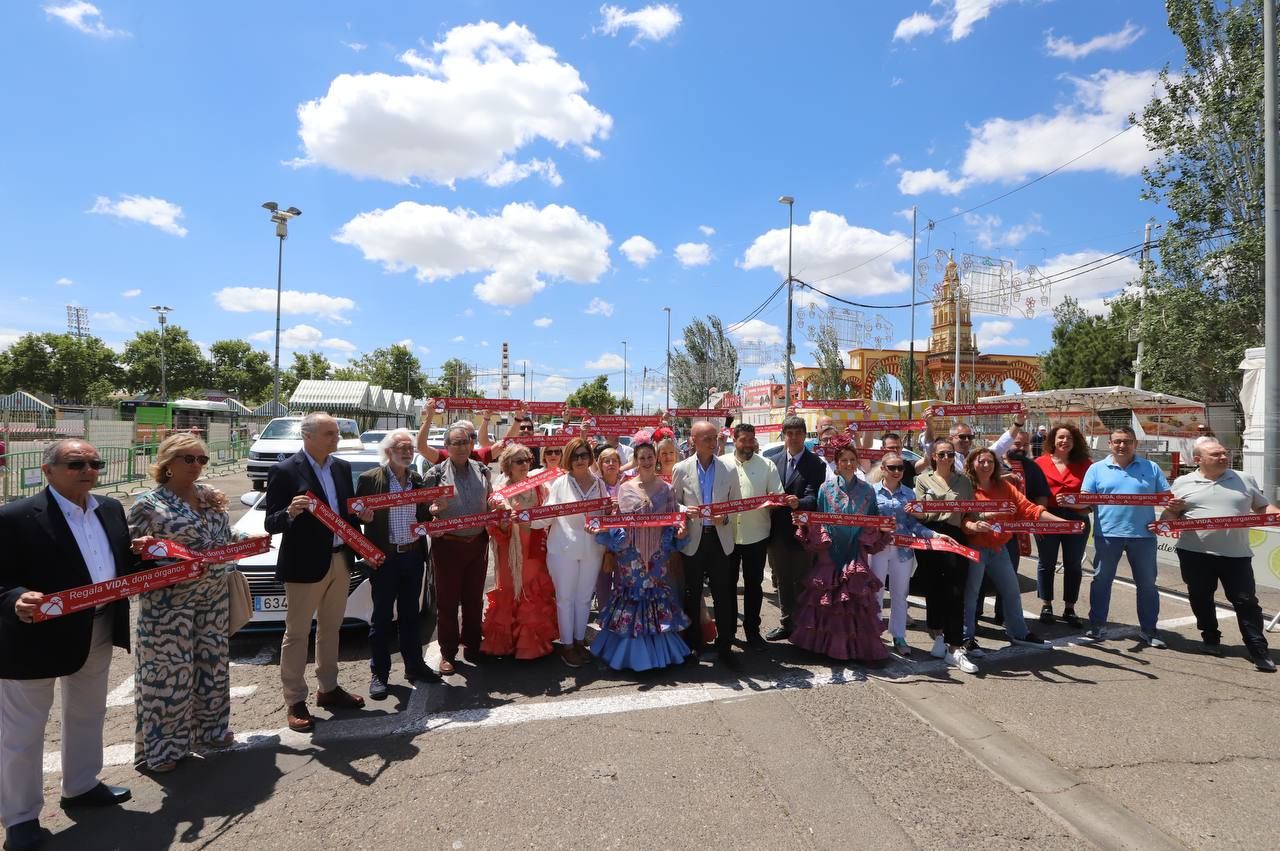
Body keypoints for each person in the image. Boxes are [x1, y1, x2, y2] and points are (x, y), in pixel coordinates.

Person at [0, 440, 139, 851]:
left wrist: (153, 559)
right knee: (23, 732)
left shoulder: (111, 510)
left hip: (96, 626)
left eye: (95, 463)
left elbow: (119, 566)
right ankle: (21, 818)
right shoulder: (15, 517)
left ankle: (80, 786)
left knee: (87, 713)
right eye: (76, 463)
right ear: (48, 470)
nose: (88, 470)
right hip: (32, 637)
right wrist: (14, 599)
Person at [126, 434, 256, 772]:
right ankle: (164, 747)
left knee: (212, 667)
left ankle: (210, 730)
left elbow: (221, 539)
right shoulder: (148, 504)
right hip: (170, 604)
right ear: (167, 463)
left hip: (213, 598)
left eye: (202, 460)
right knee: (168, 675)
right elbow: (128, 552)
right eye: (188, 458)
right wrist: (143, 550)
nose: (196, 465)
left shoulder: (209, 497)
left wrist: (248, 541)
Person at [263, 412, 366, 734]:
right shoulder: (284, 470)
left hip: (340, 560)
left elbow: (346, 512)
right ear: (308, 436)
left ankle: (329, 688)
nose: (336, 439)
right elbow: (271, 522)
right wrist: (289, 513)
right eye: (329, 434)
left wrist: (362, 515)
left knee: (331, 628)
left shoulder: (341, 467)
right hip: (305, 565)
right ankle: (295, 699)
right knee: (296, 635)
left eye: (336, 433)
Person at [1160, 439, 1277, 671]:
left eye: (1224, 453)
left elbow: (1262, 508)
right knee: (1200, 597)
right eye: (1215, 455)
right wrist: (1171, 510)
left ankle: (1257, 649)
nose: (1223, 457)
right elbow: (1167, 522)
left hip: (1236, 555)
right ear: (1197, 460)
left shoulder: (1244, 479)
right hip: (1194, 553)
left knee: (1246, 601)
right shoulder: (1182, 483)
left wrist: (1277, 516)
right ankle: (1210, 637)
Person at [353, 429, 441, 700]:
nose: (406, 452)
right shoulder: (370, 480)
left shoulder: (416, 481)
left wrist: (434, 514)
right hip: (385, 558)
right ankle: (379, 673)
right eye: (400, 448)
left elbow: (424, 516)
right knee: (380, 618)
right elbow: (355, 518)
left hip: (412, 556)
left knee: (410, 616)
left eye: (409, 448)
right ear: (388, 452)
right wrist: (365, 520)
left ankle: (414, 666)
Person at [591, 437, 691, 670]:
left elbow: (674, 519)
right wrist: (606, 531)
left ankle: (659, 653)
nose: (646, 461)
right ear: (635, 460)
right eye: (641, 457)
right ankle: (628, 652)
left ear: (655, 459)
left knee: (655, 598)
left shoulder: (667, 489)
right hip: (631, 555)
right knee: (631, 597)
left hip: (658, 554)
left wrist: (680, 529)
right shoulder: (625, 488)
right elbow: (619, 522)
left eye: (649, 457)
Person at [961, 448, 1072, 652]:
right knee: (971, 593)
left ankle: (1019, 633)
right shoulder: (965, 487)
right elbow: (962, 517)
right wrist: (973, 526)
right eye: (981, 462)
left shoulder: (1004, 486)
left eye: (990, 462)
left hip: (998, 548)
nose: (986, 465)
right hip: (974, 547)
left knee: (1012, 591)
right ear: (971, 464)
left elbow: (1029, 508)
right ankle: (966, 636)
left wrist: (1063, 523)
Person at [791, 438, 887, 663]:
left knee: (854, 598)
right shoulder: (826, 488)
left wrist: (878, 529)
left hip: (855, 548)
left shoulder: (868, 490)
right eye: (843, 460)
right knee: (828, 596)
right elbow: (821, 516)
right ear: (836, 463)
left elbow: (873, 517)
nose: (848, 463)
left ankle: (855, 647)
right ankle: (825, 645)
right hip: (831, 548)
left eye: (852, 460)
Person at [1081, 426, 1174, 646]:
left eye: (1127, 441)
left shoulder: (1151, 467)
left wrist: (1166, 516)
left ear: (1135, 444)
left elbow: (1166, 498)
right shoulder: (1096, 469)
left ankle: (1149, 630)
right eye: (1118, 441)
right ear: (1110, 444)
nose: (1122, 445)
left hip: (1143, 536)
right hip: (1107, 535)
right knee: (1102, 581)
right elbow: (1085, 498)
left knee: (1147, 584)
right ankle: (1097, 625)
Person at [422, 423, 494, 675]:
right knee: (448, 602)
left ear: (472, 444)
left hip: (476, 544)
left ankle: (473, 645)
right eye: (456, 443)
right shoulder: (435, 474)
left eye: (466, 442)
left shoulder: (482, 470)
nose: (462, 447)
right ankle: (448, 653)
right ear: (447, 447)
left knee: (474, 599)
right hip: (448, 546)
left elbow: (490, 502)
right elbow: (424, 510)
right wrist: (432, 513)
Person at [671, 420, 743, 668]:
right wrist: (684, 510)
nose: (713, 443)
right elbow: (673, 503)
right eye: (707, 439)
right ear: (693, 441)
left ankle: (725, 646)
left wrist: (724, 517)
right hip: (693, 540)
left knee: (724, 595)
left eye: (714, 438)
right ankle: (694, 645)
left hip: (719, 538)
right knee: (692, 594)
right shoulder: (681, 469)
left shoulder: (728, 468)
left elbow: (737, 503)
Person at [532, 437, 607, 668]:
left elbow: (605, 516)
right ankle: (566, 645)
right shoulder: (560, 483)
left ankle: (578, 640)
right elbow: (546, 516)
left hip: (592, 549)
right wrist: (523, 517)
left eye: (584, 455)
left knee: (584, 599)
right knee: (565, 599)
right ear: (568, 459)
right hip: (563, 549)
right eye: (575, 456)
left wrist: (603, 525)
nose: (580, 460)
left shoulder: (599, 483)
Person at [870, 452, 952, 657]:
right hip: (878, 548)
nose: (897, 471)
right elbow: (865, 521)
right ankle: (873, 634)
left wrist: (934, 534)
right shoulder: (871, 492)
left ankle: (898, 635)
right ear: (883, 469)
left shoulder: (909, 493)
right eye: (892, 467)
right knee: (875, 592)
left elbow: (914, 523)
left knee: (900, 594)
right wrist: (877, 529)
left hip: (904, 550)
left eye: (900, 468)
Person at [480, 444, 557, 660]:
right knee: (510, 590)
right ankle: (506, 642)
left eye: (527, 460)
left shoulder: (540, 488)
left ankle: (531, 643)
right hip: (510, 552)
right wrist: (504, 517)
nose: (524, 465)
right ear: (507, 465)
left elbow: (549, 516)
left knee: (530, 592)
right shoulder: (500, 493)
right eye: (518, 461)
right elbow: (493, 527)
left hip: (533, 550)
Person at [913, 440, 978, 673]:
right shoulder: (922, 480)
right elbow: (921, 514)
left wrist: (977, 523)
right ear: (934, 457)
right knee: (934, 587)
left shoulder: (964, 481)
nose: (947, 458)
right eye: (942, 454)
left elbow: (969, 512)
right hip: (931, 535)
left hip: (956, 535)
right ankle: (938, 633)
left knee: (956, 590)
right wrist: (946, 508)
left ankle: (955, 646)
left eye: (950, 454)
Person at [762, 416, 823, 641]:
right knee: (783, 581)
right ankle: (787, 624)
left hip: (802, 532)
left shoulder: (816, 464)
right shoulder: (771, 460)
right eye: (790, 433)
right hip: (776, 532)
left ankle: (806, 628)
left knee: (804, 580)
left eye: (798, 433)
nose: (794, 437)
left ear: (804, 436)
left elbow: (814, 497)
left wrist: (800, 503)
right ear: (784, 435)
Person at [728, 423, 784, 648]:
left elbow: (778, 496)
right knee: (727, 586)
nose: (749, 444)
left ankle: (752, 631)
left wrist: (774, 500)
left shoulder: (767, 465)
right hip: (728, 536)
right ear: (735, 440)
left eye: (752, 440)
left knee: (754, 586)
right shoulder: (722, 464)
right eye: (744, 440)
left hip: (756, 536)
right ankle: (728, 631)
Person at [1033, 424, 1093, 627]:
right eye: (1060, 437)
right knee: (1046, 562)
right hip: (1048, 517)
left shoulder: (1085, 464)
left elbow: (1094, 494)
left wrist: (1087, 509)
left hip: (1076, 518)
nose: (1064, 441)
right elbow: (1031, 494)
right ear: (1052, 440)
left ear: (1075, 442)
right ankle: (1046, 604)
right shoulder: (1039, 463)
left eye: (1069, 438)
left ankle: (1070, 607)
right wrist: (1036, 521)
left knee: (1073, 564)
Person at [593, 446, 624, 614]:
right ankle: (604, 616)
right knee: (602, 581)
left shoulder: (628, 483)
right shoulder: (594, 485)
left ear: (620, 464)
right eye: (606, 461)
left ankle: (619, 617)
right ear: (600, 464)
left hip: (623, 541)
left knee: (621, 580)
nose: (611, 464)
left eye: (614, 460)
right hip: (600, 541)